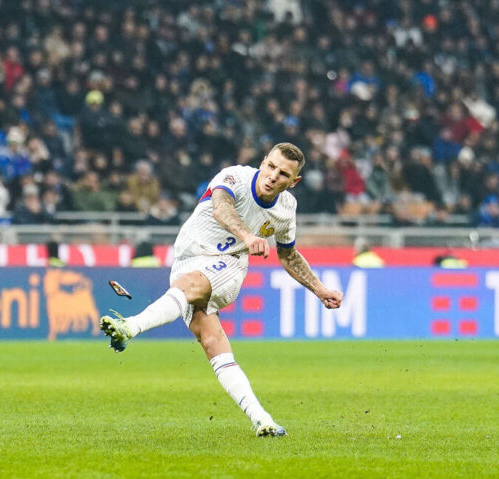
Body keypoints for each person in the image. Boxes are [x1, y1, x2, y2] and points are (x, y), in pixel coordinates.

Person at [100, 143, 344, 437]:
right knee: (212, 341)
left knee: (191, 286)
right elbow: (221, 208)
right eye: (271, 166)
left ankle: (130, 327)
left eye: (283, 174)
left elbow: (288, 254)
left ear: (294, 182)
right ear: (263, 161)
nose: (272, 176)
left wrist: (319, 289)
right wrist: (248, 235)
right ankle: (262, 419)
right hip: (187, 261)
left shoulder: (286, 209)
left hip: (228, 265)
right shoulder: (234, 177)